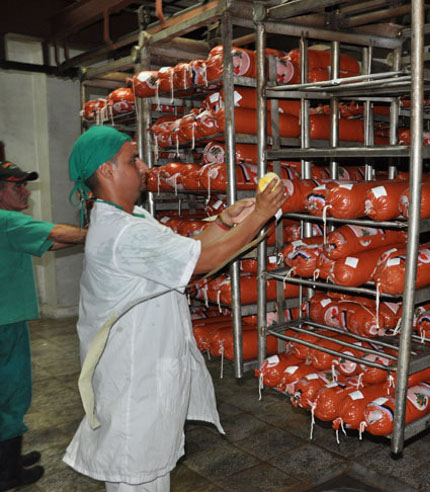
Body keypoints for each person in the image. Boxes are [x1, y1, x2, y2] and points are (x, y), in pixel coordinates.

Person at [62, 126, 286, 491]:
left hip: (144, 373)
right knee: (138, 478)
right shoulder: (122, 233)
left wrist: (224, 222)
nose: (144, 165)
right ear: (107, 171)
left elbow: (190, 247)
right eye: (132, 158)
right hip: (135, 383)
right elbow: (206, 258)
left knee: (151, 473)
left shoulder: (133, 219)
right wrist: (261, 214)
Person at [0, 161, 87, 490]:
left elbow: (51, 242)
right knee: (11, 394)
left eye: (25, 184)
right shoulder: (7, 220)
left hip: (6, 317)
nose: (25, 191)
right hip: (4, 324)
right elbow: (55, 234)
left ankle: (6, 458)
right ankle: (7, 474)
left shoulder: (9, 225)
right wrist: (106, 230)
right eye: (15, 186)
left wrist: (85, 237)